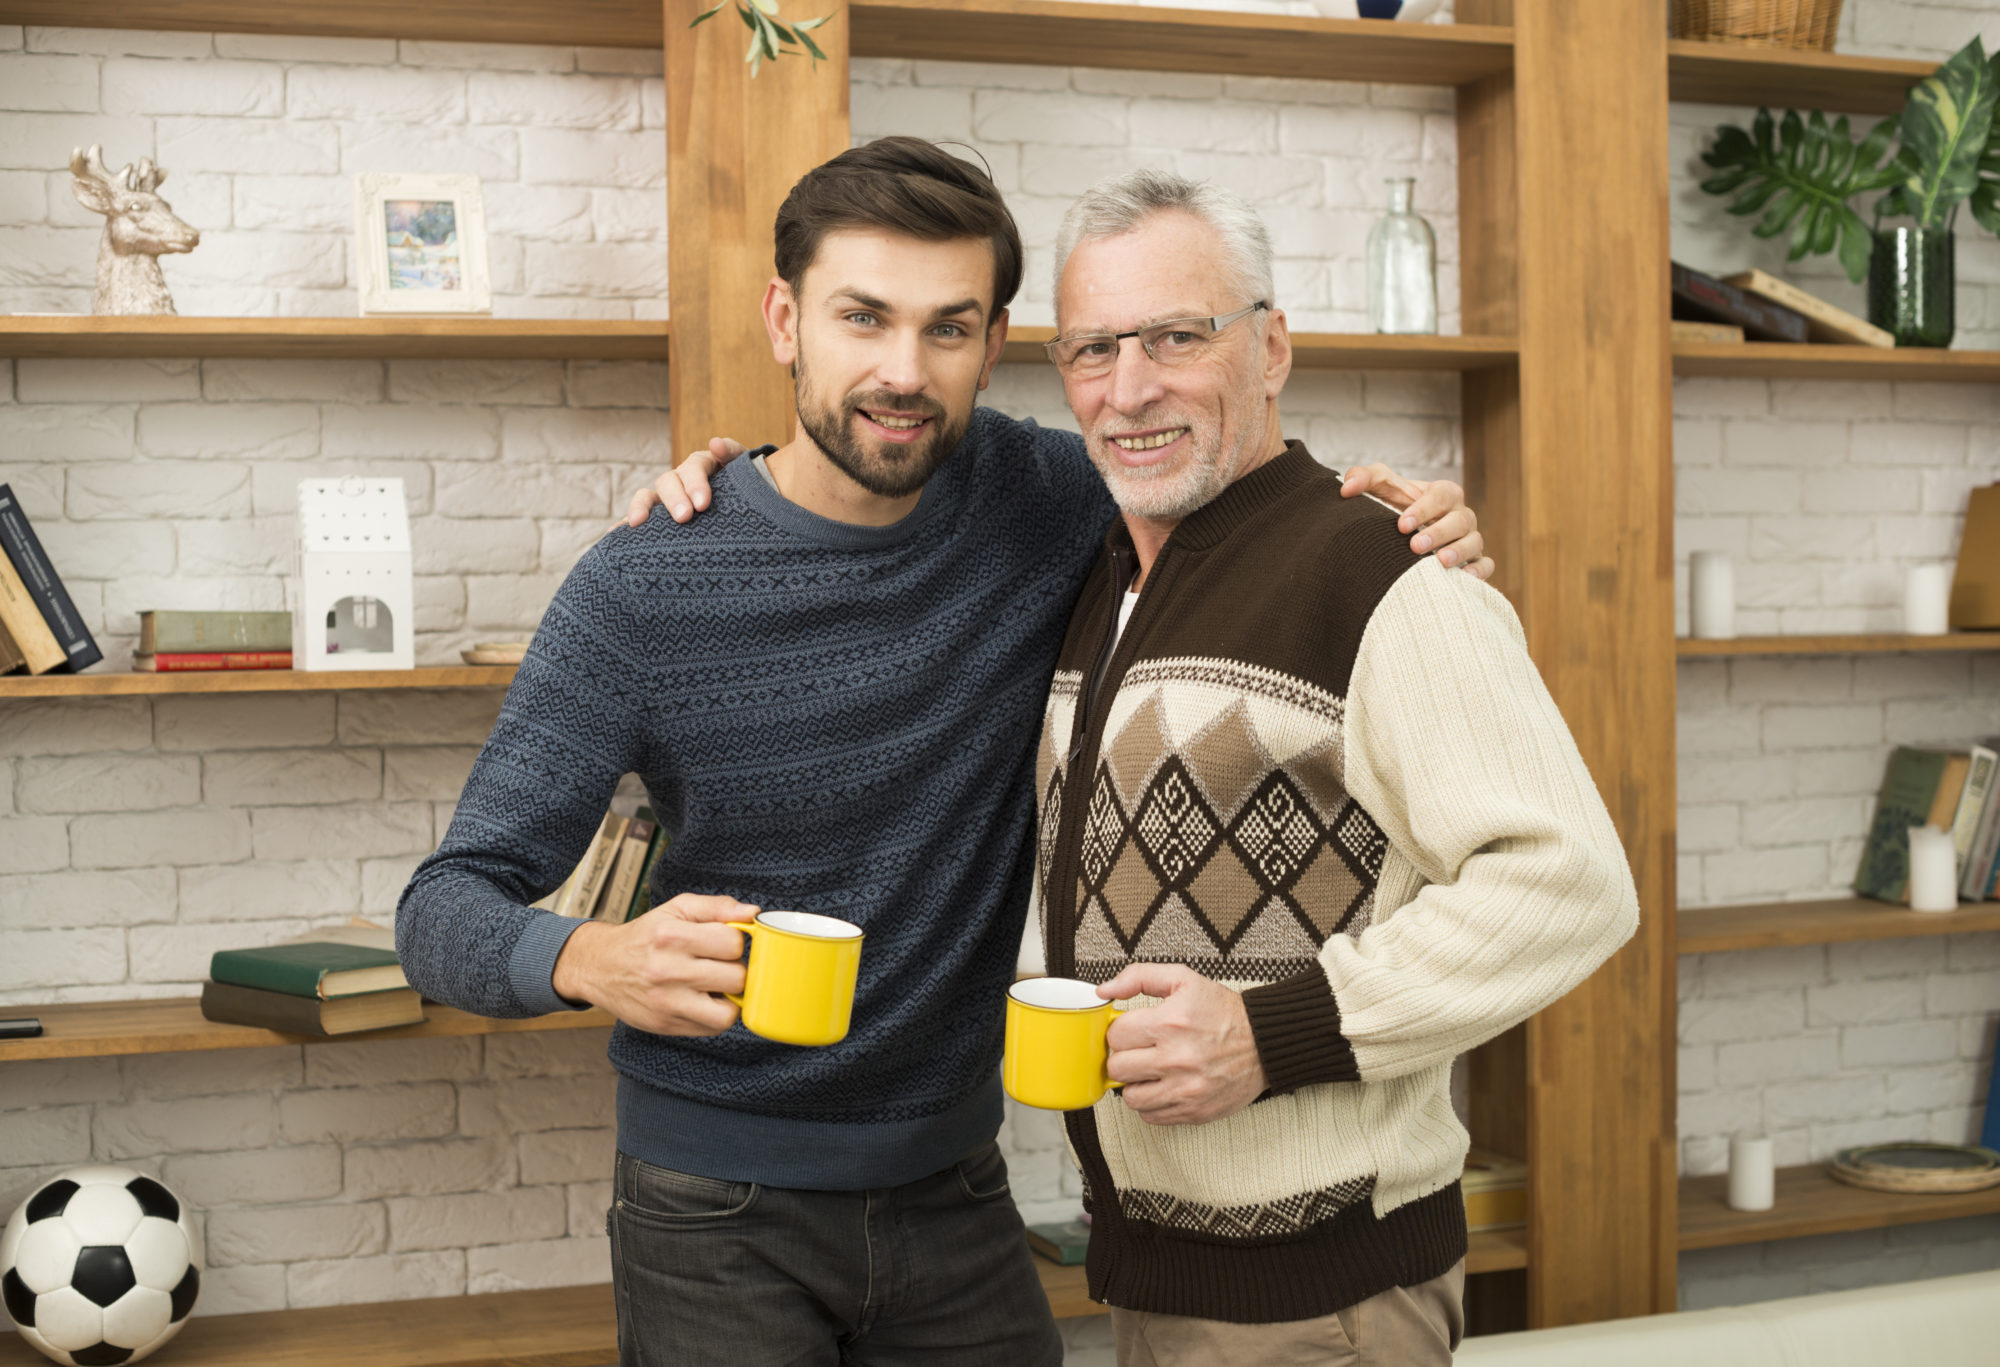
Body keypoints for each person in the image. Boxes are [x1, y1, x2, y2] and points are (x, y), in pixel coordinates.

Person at [397, 138, 1486, 1367]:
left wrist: (1392, 515)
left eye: (947, 329)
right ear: (783, 319)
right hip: (711, 1209)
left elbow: (1208, 452)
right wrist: (593, 954)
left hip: (959, 1195)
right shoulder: (645, 585)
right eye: (861, 317)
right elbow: (441, 908)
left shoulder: (1047, 496)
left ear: (995, 339)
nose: (901, 373)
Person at [1021, 171, 1639, 1365]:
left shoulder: (1379, 571)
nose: (1128, 385)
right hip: (1153, 1273)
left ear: (1270, 347)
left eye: (1175, 335)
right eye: (1092, 347)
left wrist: (1271, 1034)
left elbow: (1567, 881)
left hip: (1318, 1305)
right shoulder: (1100, 580)